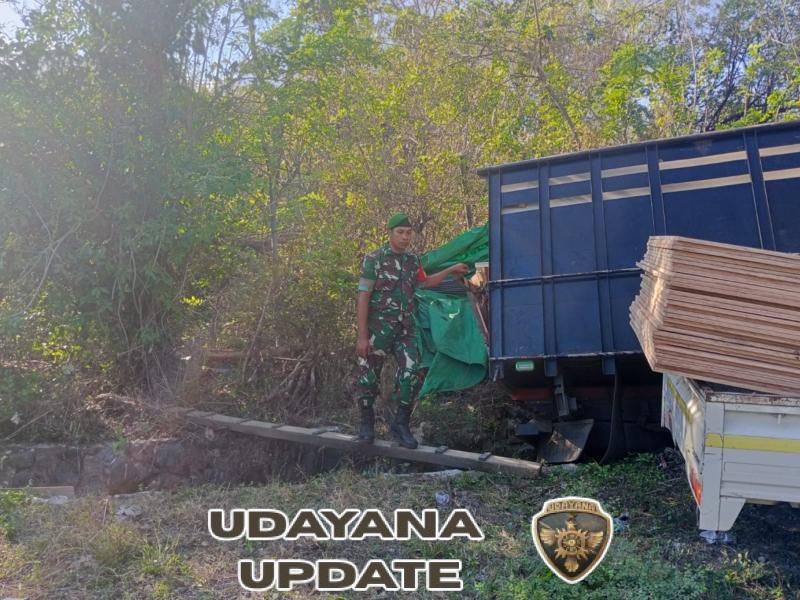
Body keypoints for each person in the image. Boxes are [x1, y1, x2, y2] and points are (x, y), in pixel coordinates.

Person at [353, 212, 469, 448]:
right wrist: (362, 335)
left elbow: (424, 282)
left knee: (412, 372)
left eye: (408, 233)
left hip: (405, 329)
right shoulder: (374, 259)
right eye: (400, 232)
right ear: (390, 233)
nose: (405, 237)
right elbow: (363, 296)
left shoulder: (412, 261)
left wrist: (449, 271)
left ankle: (401, 424)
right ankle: (366, 426)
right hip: (378, 330)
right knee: (367, 378)